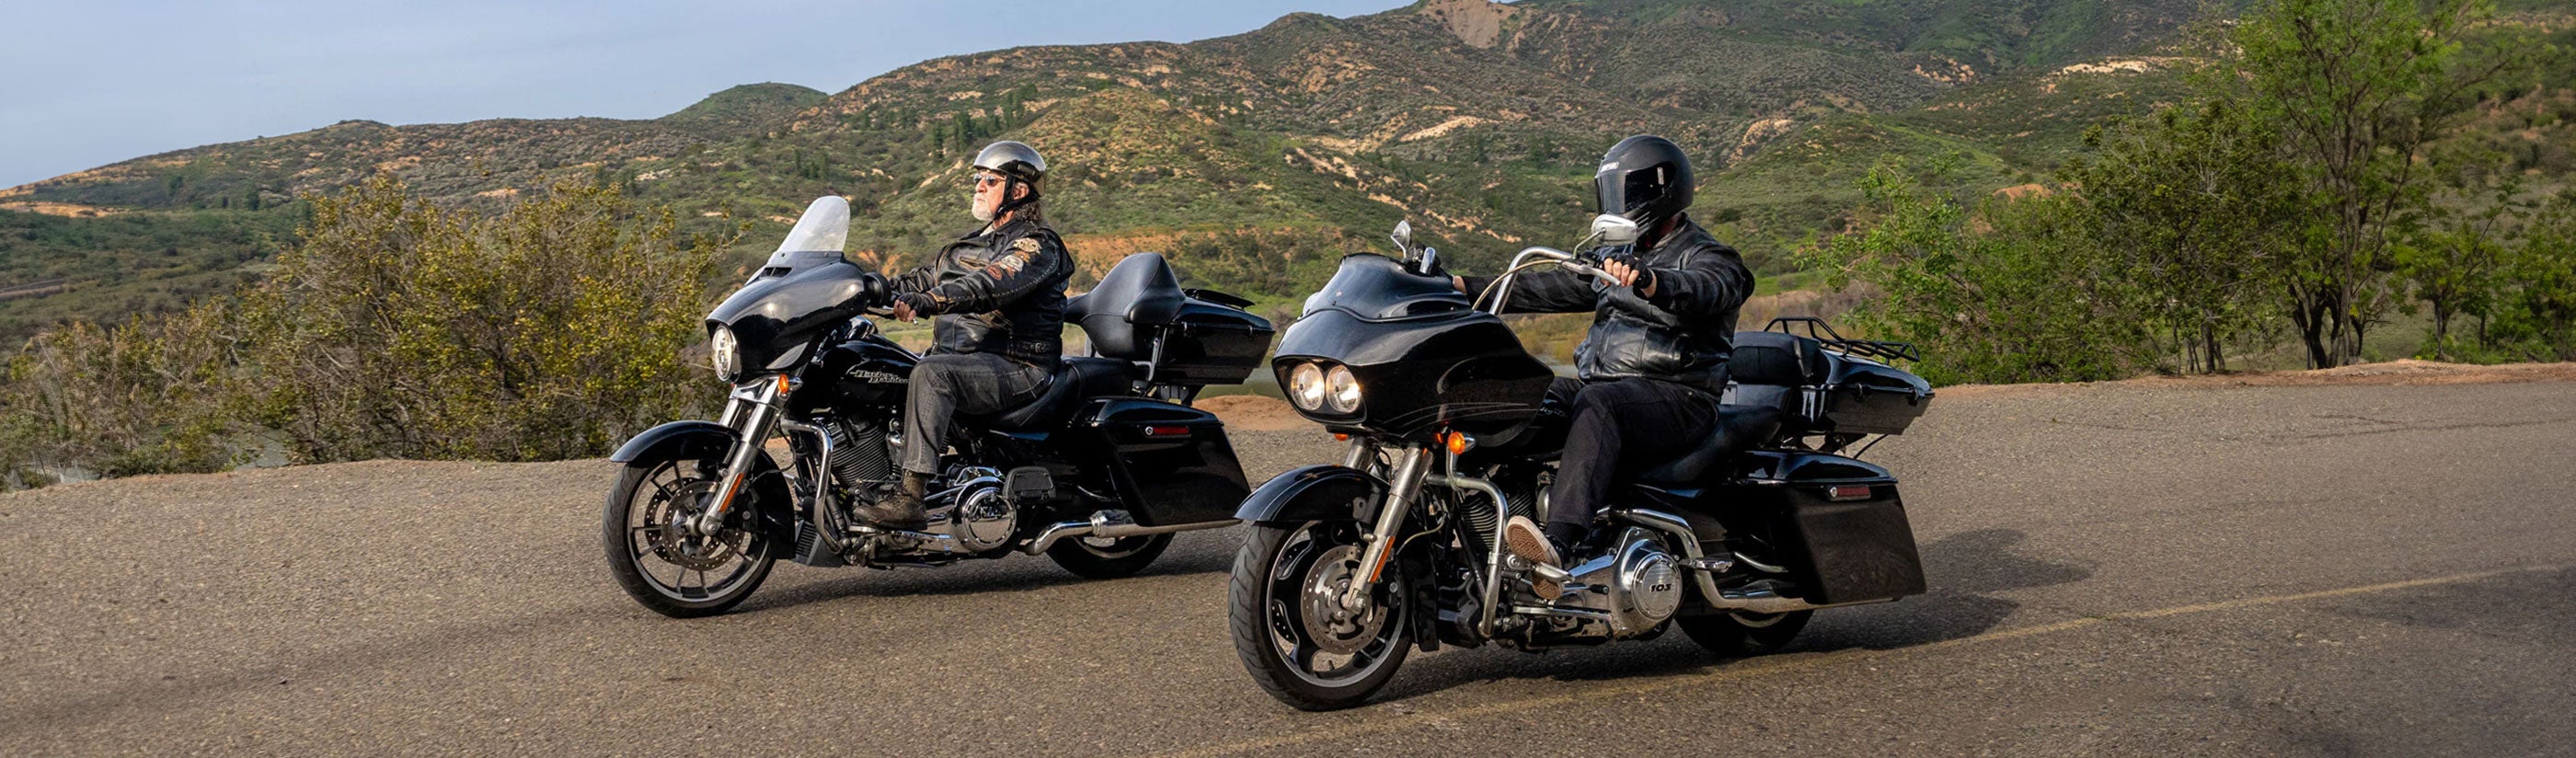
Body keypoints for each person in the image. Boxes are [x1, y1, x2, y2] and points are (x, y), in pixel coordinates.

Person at [1453, 134, 1754, 596]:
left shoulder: (1708, 255)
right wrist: (1457, 285)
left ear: (1661, 191)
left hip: (1680, 398)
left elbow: (1709, 288)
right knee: (1512, 395)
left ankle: (1558, 544)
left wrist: (1653, 281)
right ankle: (1487, 545)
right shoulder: (1616, 258)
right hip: (1606, 387)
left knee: (1598, 403)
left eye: (1626, 190)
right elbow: (1546, 288)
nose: (1618, 202)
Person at [851, 141, 1073, 529]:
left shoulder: (1037, 245)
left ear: (1019, 190)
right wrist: (859, 287)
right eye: (978, 179)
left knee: (932, 374)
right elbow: (918, 280)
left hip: (1018, 365)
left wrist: (930, 301)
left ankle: (911, 498)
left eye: (991, 180)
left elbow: (991, 282)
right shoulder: (970, 245)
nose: (979, 186)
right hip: (967, 361)